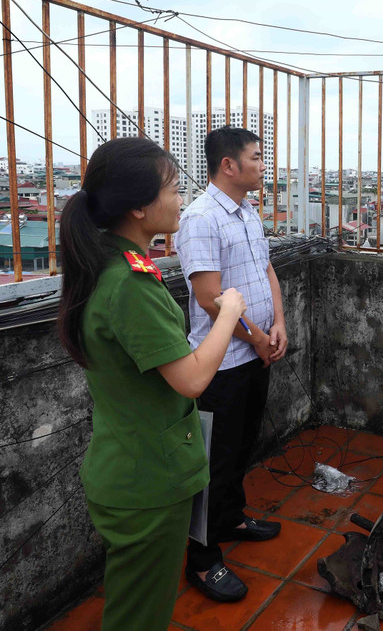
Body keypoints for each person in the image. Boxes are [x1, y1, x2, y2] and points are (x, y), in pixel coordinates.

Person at [57, 138, 247, 630]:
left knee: (135, 603)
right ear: (139, 208)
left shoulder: (110, 264)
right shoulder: (129, 284)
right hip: (148, 484)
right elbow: (192, 377)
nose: (182, 199)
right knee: (139, 617)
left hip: (129, 461)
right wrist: (228, 312)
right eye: (175, 189)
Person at [175, 126, 288, 602]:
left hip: (255, 352)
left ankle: (232, 517)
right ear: (228, 165)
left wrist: (279, 321)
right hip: (221, 364)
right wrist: (259, 338)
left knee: (243, 445)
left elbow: (265, 269)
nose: (264, 166)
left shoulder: (246, 211)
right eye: (257, 158)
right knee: (212, 463)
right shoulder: (200, 218)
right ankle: (201, 560)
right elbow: (208, 299)